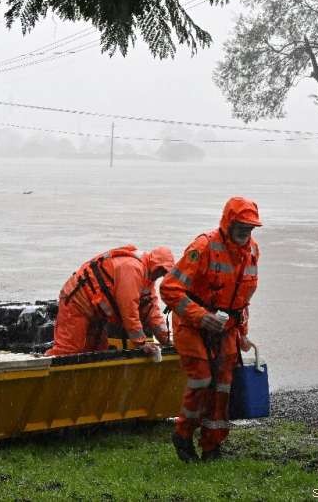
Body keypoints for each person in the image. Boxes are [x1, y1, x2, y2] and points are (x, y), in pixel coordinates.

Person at [160, 196, 261, 462]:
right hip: (192, 325)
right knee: (201, 379)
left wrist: (243, 332)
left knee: (223, 387)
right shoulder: (203, 247)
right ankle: (183, 435)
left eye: (250, 227)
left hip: (227, 327)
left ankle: (212, 446)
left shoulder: (252, 252)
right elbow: (169, 288)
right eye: (241, 225)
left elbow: (243, 298)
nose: (246, 232)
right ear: (228, 222)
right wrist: (201, 316)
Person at [45, 245, 175, 356]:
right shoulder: (132, 268)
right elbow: (129, 310)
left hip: (97, 314)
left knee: (97, 353)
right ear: (154, 263)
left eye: (164, 272)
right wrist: (141, 343)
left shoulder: (148, 281)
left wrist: (167, 341)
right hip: (77, 303)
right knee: (68, 351)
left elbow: (152, 313)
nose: (161, 274)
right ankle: (44, 381)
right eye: (161, 269)